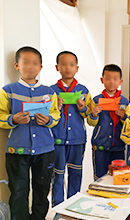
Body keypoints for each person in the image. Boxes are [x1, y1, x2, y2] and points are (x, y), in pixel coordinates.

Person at [0, 46, 60, 219]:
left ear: (41, 67)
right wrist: (13, 119)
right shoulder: (8, 91)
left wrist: (48, 120)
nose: (30, 66)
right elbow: (1, 115)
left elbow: (55, 115)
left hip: (45, 150)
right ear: (16, 65)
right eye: (25, 62)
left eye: (35, 63)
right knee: (19, 191)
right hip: (17, 151)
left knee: (42, 190)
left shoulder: (49, 93)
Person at [50, 51, 92, 207]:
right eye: (64, 64)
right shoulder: (51, 91)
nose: (68, 67)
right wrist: (58, 107)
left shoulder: (84, 90)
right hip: (57, 139)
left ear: (77, 68)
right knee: (57, 176)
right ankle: (58, 210)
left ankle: (74, 209)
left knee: (75, 174)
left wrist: (83, 108)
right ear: (57, 67)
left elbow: (89, 115)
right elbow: (47, 115)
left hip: (77, 139)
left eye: (71, 64)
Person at [87, 64, 130, 179]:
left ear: (120, 81)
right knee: (100, 177)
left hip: (119, 146)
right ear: (102, 80)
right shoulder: (96, 100)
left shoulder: (125, 102)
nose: (111, 81)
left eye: (115, 79)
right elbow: (91, 123)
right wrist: (93, 114)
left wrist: (124, 117)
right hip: (100, 146)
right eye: (108, 78)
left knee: (117, 177)